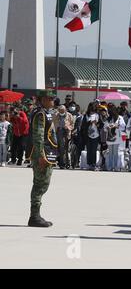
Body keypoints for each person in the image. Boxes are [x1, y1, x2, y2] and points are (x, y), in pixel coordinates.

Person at [26, 90, 58, 228]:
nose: (52, 100)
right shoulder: (40, 114)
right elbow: (38, 136)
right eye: (50, 98)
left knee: (41, 184)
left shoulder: (44, 112)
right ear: (43, 99)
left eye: (53, 98)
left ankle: (36, 215)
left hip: (46, 152)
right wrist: (41, 156)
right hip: (42, 154)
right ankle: (34, 216)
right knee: (40, 184)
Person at [53, 105, 74, 169]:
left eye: (62, 110)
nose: (61, 112)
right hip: (58, 132)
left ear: (65, 110)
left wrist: (68, 127)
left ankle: (66, 163)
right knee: (58, 148)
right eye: (60, 110)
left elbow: (72, 124)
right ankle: (59, 163)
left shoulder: (69, 115)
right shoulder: (56, 115)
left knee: (65, 149)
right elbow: (52, 123)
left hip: (66, 132)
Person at [105, 106, 126, 171]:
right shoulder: (108, 118)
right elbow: (104, 128)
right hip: (109, 137)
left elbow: (123, 126)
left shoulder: (120, 118)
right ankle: (110, 166)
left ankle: (116, 166)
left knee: (116, 152)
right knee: (110, 152)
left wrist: (116, 126)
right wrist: (108, 126)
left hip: (117, 137)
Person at [85, 102, 100, 171]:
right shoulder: (86, 115)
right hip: (88, 135)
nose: (92, 107)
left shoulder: (97, 114)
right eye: (91, 106)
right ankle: (89, 164)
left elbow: (100, 124)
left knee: (94, 150)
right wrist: (90, 122)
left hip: (96, 135)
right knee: (89, 150)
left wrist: (97, 123)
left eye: (94, 106)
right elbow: (84, 125)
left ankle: (93, 164)